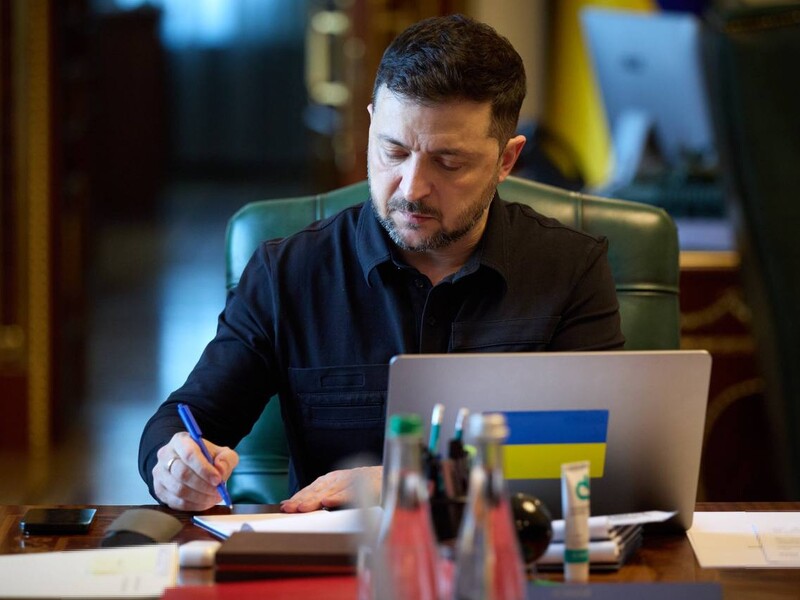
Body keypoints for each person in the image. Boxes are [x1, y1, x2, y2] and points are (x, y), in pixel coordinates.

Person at [139, 14, 624, 513]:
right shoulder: (288, 272)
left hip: (508, 546)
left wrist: (408, 480)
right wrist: (173, 463)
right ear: (371, 125)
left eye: (448, 163)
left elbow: (599, 453)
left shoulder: (571, 268)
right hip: (332, 555)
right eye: (393, 150)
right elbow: (183, 420)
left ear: (506, 160)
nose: (412, 188)